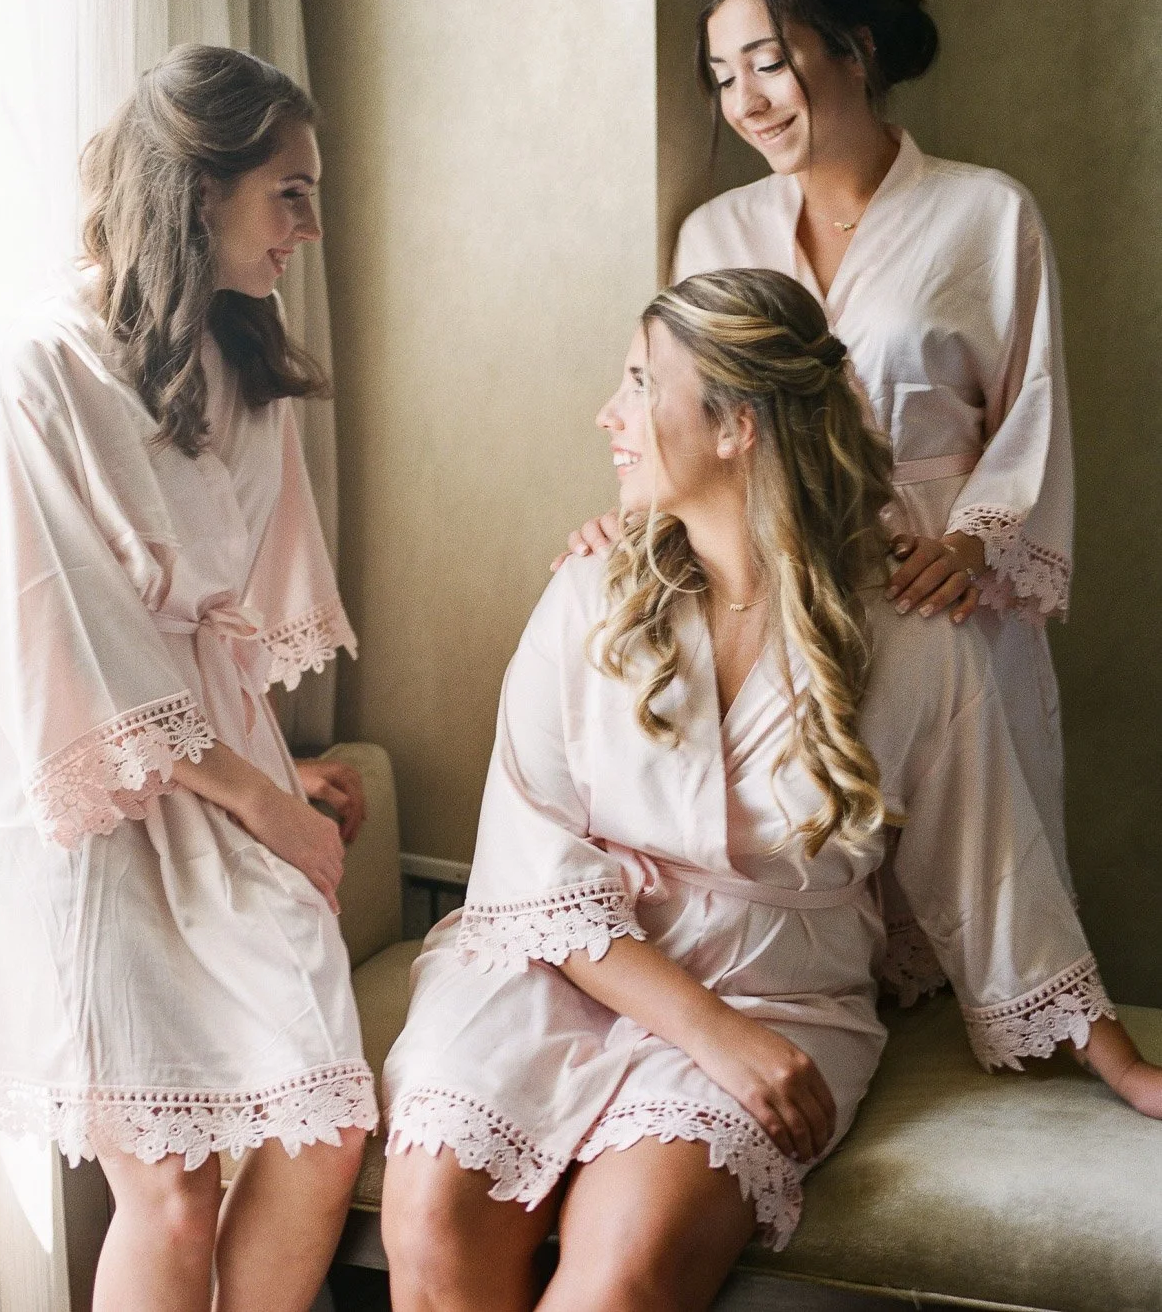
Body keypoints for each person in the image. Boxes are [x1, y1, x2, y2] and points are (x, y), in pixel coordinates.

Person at [381, 269, 1160, 1312]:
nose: (605, 414)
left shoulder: (912, 634)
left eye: (637, 382)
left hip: (775, 988)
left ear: (738, 425)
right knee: (432, 1216)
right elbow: (530, 865)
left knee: (622, 1273)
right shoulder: (587, 594)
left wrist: (1124, 1066)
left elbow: (993, 868)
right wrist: (710, 1032)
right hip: (557, 970)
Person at [0, 46, 374, 1312]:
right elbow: (74, 645)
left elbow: (232, 631)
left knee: (322, 1124)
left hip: (218, 777)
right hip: (73, 800)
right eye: (289, 192)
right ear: (198, 186)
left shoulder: (244, 369)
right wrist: (269, 803)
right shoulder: (33, 368)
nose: (310, 226)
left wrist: (279, 774)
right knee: (170, 1188)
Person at [567, 0, 1075, 991]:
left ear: (853, 45)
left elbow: (1030, 407)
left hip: (936, 590)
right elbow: (686, 418)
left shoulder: (987, 213)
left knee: (968, 866)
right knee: (808, 849)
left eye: (767, 61)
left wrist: (981, 545)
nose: (747, 99)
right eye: (722, 76)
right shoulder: (715, 231)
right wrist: (638, 527)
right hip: (781, 594)